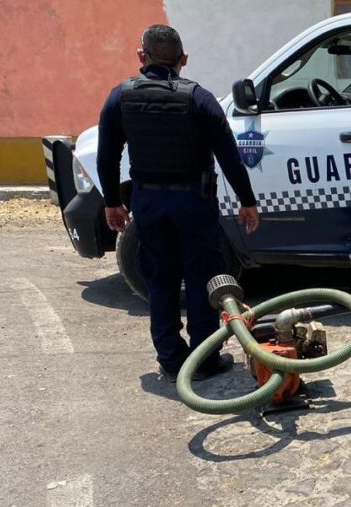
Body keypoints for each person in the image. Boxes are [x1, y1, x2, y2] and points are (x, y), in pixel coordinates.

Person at [97, 25, 261, 383]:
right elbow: (229, 155)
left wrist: (112, 202)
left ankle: (171, 360)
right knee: (205, 279)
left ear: (142, 56)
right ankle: (203, 359)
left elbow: (107, 156)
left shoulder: (119, 97)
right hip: (193, 202)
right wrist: (247, 201)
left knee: (161, 280)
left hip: (149, 204)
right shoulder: (198, 99)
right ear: (183, 60)